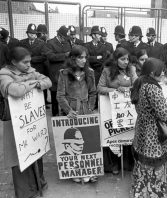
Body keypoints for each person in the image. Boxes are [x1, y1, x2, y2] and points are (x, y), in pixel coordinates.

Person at [0, 46, 52, 198]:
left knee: (36, 149)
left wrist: (34, 81)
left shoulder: (30, 71)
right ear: (13, 62)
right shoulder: (3, 74)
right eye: (25, 62)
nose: (29, 65)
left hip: (32, 120)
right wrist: (32, 83)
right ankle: (25, 193)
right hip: (15, 123)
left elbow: (47, 81)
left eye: (30, 62)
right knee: (20, 155)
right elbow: (15, 91)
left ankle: (38, 184)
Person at [130, 58, 167, 197]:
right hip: (153, 134)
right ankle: (153, 193)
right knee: (154, 165)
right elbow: (165, 114)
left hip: (141, 130)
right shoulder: (153, 88)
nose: (163, 73)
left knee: (141, 164)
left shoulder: (139, 82)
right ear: (151, 72)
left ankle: (140, 191)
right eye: (161, 71)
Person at [57, 45, 97, 183]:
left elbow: (93, 92)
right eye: (81, 57)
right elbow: (60, 95)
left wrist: (91, 108)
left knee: (86, 139)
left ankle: (89, 170)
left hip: (86, 109)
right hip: (72, 110)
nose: (84, 60)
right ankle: (75, 171)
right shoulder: (64, 73)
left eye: (85, 57)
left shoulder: (90, 72)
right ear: (73, 58)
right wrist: (68, 110)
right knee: (74, 140)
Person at [98, 47, 136, 174]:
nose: (126, 62)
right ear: (115, 60)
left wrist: (127, 89)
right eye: (122, 59)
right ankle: (114, 164)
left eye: (127, 59)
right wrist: (115, 91)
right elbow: (100, 88)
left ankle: (127, 163)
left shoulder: (131, 69)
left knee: (127, 135)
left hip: (127, 110)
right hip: (111, 109)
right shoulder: (107, 71)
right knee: (114, 136)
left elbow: (137, 85)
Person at [44, 25, 71, 116]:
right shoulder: (50, 43)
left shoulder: (67, 42)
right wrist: (64, 55)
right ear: (59, 36)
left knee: (65, 93)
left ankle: (65, 112)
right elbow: (50, 57)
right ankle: (55, 114)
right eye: (65, 38)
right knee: (55, 93)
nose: (66, 40)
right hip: (55, 73)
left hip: (66, 72)